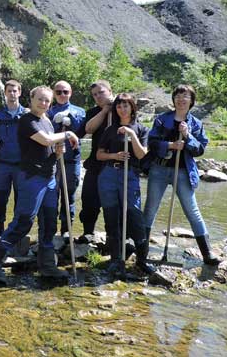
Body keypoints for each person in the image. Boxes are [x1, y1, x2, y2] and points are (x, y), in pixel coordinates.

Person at [0, 86, 77, 284]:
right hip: (31, 177)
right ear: (31, 98)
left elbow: (50, 148)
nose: (43, 103)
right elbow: (45, 141)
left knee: (50, 221)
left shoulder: (48, 122)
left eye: (47, 101)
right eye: (40, 99)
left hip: (50, 177)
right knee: (24, 220)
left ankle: (47, 266)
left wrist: (57, 153)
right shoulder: (26, 120)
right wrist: (68, 135)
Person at [143, 85, 220, 265]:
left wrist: (187, 136)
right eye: (178, 95)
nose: (181, 99)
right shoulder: (162, 120)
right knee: (150, 209)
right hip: (159, 170)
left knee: (192, 210)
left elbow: (199, 149)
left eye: (185, 96)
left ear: (191, 101)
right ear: (173, 99)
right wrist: (169, 145)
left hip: (183, 171)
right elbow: (152, 142)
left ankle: (207, 253)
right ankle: (142, 250)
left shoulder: (196, 124)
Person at [96, 93, 153, 276]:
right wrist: (114, 156)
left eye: (126, 106)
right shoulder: (110, 130)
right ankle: (116, 260)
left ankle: (142, 260)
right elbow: (99, 154)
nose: (122, 109)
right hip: (109, 175)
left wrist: (131, 133)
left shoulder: (142, 129)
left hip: (130, 175)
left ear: (132, 108)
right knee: (112, 216)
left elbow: (142, 154)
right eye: (119, 106)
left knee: (134, 215)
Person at [0, 79, 27, 237]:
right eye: (9, 91)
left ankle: (17, 236)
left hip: (22, 167)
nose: (12, 94)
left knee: (21, 202)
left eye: (14, 90)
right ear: (5, 93)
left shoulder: (27, 115)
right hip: (2, 166)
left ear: (20, 92)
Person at [47, 80, 86, 236]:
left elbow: (81, 130)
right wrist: (55, 123)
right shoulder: (48, 111)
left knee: (68, 196)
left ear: (70, 93)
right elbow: (45, 133)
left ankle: (66, 230)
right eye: (58, 92)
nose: (62, 95)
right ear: (54, 93)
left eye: (65, 92)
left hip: (71, 160)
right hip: (52, 159)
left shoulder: (80, 111)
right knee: (51, 195)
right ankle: (50, 230)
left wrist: (71, 119)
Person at [78, 80, 114, 242]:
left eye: (101, 92)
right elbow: (86, 130)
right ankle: (88, 232)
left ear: (110, 91)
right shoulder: (92, 112)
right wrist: (105, 110)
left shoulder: (123, 106)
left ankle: (114, 237)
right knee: (89, 198)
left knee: (113, 203)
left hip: (117, 163)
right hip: (95, 163)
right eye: (95, 95)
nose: (98, 96)